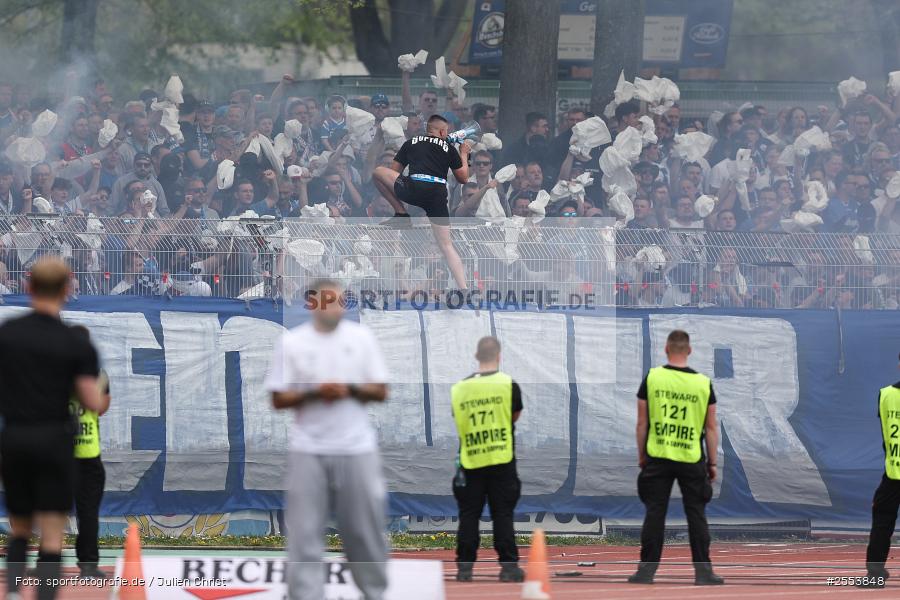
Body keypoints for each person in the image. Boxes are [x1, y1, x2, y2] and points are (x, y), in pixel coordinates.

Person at [265, 278, 390, 600]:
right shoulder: (292, 343)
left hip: (356, 448)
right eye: (329, 300)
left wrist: (348, 389)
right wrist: (315, 393)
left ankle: (374, 593)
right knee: (304, 532)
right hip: (308, 448)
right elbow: (278, 399)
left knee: (363, 530)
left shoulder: (361, 338)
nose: (336, 306)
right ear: (311, 304)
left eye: (340, 300)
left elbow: (380, 389)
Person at [0, 257, 106, 600]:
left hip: (15, 437)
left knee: (19, 527)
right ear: (66, 289)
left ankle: (14, 592)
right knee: (51, 533)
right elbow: (92, 400)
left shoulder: (7, 335)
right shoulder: (76, 343)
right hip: (55, 439)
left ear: (29, 287)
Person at [629, 329, 723, 586]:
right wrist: (712, 463)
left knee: (655, 513)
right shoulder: (703, 383)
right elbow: (711, 428)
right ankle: (704, 572)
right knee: (696, 514)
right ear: (689, 351)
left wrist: (642, 456)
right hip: (691, 456)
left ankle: (646, 572)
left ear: (666, 350)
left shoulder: (653, 378)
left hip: (658, 455)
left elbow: (641, 423)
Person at [451, 336, 525, 583]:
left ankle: (464, 568)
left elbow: (457, 418)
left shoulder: (460, 388)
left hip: (470, 459)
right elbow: (513, 416)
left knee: (469, 515)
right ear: (499, 356)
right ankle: (508, 567)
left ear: (476, 356)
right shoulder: (508, 384)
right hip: (501, 458)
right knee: (502, 514)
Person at [372, 114, 472, 290]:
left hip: (414, 188)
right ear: (442, 131)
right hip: (437, 196)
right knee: (446, 246)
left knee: (378, 172)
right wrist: (464, 153)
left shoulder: (411, 142)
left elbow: (394, 171)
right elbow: (463, 178)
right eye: (446, 131)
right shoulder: (449, 146)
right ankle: (464, 289)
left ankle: (401, 213)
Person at [69, 325, 112, 580]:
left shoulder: (54, 375)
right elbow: (102, 407)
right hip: (87, 450)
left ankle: (45, 566)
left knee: (49, 509)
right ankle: (87, 565)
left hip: (60, 451)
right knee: (88, 512)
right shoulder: (98, 375)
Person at [862, 353, 900, 588]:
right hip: (893, 473)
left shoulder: (885, 394)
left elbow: (886, 433)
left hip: (893, 472)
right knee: (881, 523)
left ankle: (875, 575)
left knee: (882, 524)